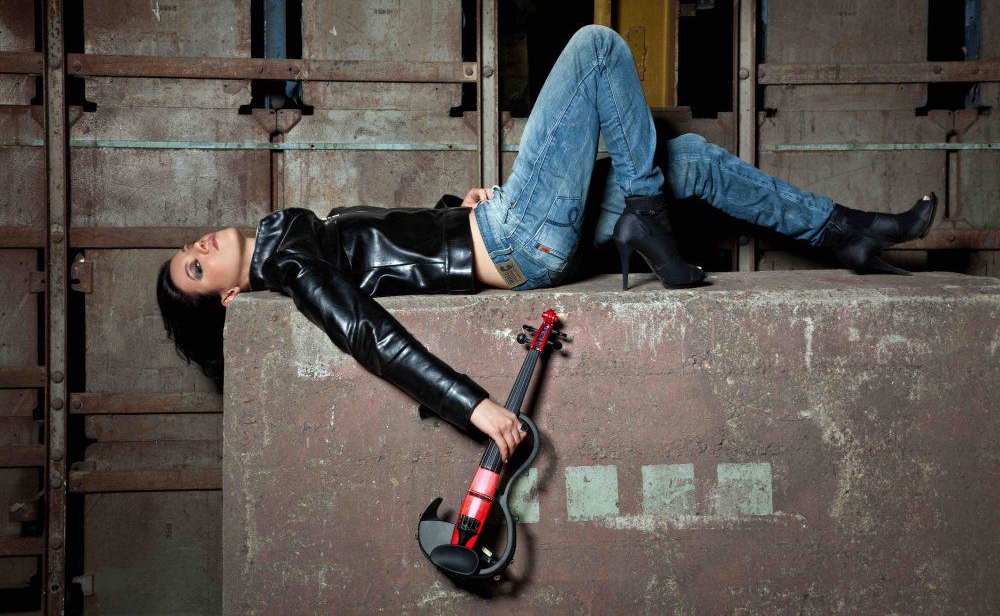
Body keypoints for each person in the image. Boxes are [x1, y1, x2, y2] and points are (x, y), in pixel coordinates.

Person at [156, 26, 936, 461]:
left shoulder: (298, 243)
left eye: (191, 246)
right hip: (516, 240)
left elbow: (398, 249)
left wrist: (457, 207)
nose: (203, 243)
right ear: (229, 295)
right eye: (197, 266)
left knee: (689, 159)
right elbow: (367, 332)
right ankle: (647, 219)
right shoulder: (288, 255)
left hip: (502, 232)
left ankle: (846, 234)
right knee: (597, 49)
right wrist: (474, 406)